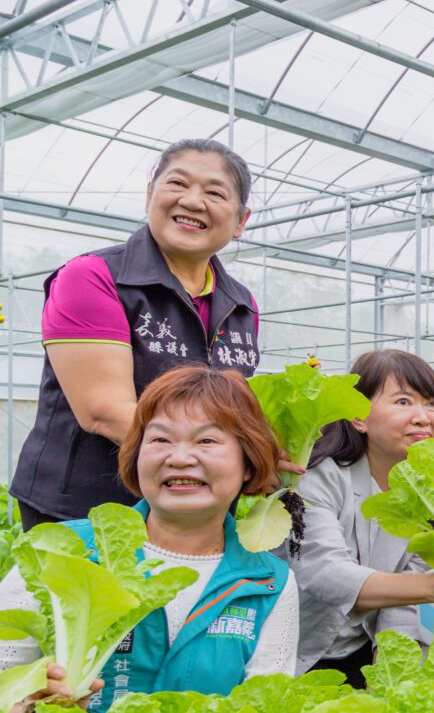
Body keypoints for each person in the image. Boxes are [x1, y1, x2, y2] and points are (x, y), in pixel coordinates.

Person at [0, 365, 298, 713]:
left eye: (206, 441)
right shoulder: (62, 550)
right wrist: (27, 711)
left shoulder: (269, 583)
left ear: (248, 463)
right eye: (160, 439)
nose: (181, 458)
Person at [10, 139, 262, 528]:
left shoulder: (241, 302)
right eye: (177, 184)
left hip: (196, 511)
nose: (193, 201)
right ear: (149, 196)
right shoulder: (93, 276)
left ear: (241, 221)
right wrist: (242, 454)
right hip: (86, 511)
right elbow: (103, 412)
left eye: (215, 192)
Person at [290, 350, 434, 685]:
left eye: (432, 403)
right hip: (298, 651)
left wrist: (394, 663)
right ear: (358, 417)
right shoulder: (318, 477)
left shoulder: (429, 493)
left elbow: (409, 588)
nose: (424, 417)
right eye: (404, 402)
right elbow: (325, 572)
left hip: (363, 650)